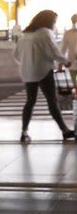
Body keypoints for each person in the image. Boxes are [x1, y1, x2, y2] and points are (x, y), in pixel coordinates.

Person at [13, 9, 75, 142]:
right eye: (54, 21)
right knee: (52, 101)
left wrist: (28, 63)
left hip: (28, 72)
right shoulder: (45, 33)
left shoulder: (24, 34)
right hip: (43, 71)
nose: (54, 24)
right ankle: (65, 130)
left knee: (30, 102)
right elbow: (54, 51)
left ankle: (24, 132)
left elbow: (16, 55)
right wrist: (65, 62)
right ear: (48, 21)